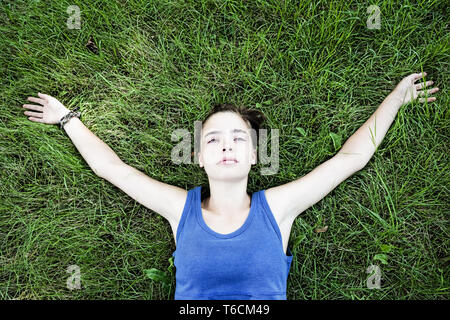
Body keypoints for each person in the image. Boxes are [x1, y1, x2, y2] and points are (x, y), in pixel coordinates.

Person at [22, 72, 439, 299]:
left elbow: (350, 159)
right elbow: (113, 169)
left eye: (239, 139)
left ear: (255, 156)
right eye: (213, 140)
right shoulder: (179, 209)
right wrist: (66, 118)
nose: (226, 146)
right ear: (199, 157)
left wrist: (398, 97)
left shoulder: (276, 208)